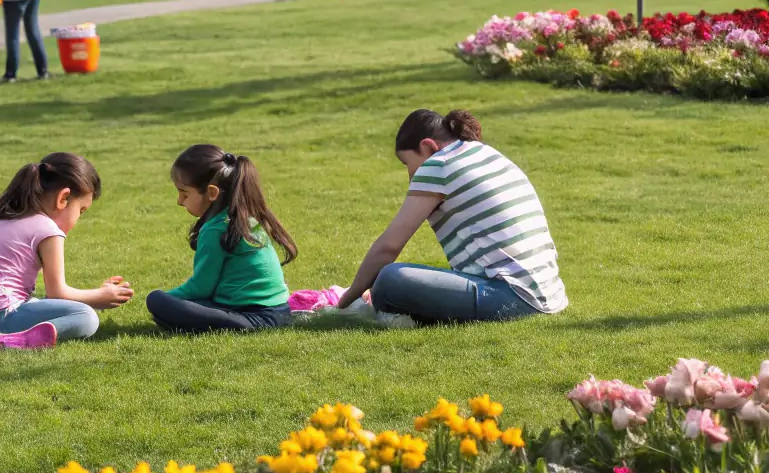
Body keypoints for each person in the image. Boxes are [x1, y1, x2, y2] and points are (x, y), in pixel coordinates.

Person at [336, 109, 567, 324]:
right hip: (549, 294)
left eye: (407, 163)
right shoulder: (485, 152)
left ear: (427, 146)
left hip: (512, 298)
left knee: (389, 280)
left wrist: (345, 302)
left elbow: (388, 247)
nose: (409, 173)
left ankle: (397, 315)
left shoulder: (438, 164)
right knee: (398, 278)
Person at [0, 153, 133, 351]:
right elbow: (57, 293)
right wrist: (99, 297)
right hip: (0, 318)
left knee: (60, 307)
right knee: (86, 317)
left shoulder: (7, 218)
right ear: (64, 198)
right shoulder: (48, 230)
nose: (79, 219)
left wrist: (98, 295)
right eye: (81, 210)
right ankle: (1, 342)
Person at [146, 144, 296, 334]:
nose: (179, 201)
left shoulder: (215, 229)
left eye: (184, 193)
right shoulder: (245, 218)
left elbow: (201, 288)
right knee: (174, 305)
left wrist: (169, 298)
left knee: (156, 300)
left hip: (253, 318)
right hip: (281, 311)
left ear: (212, 193)